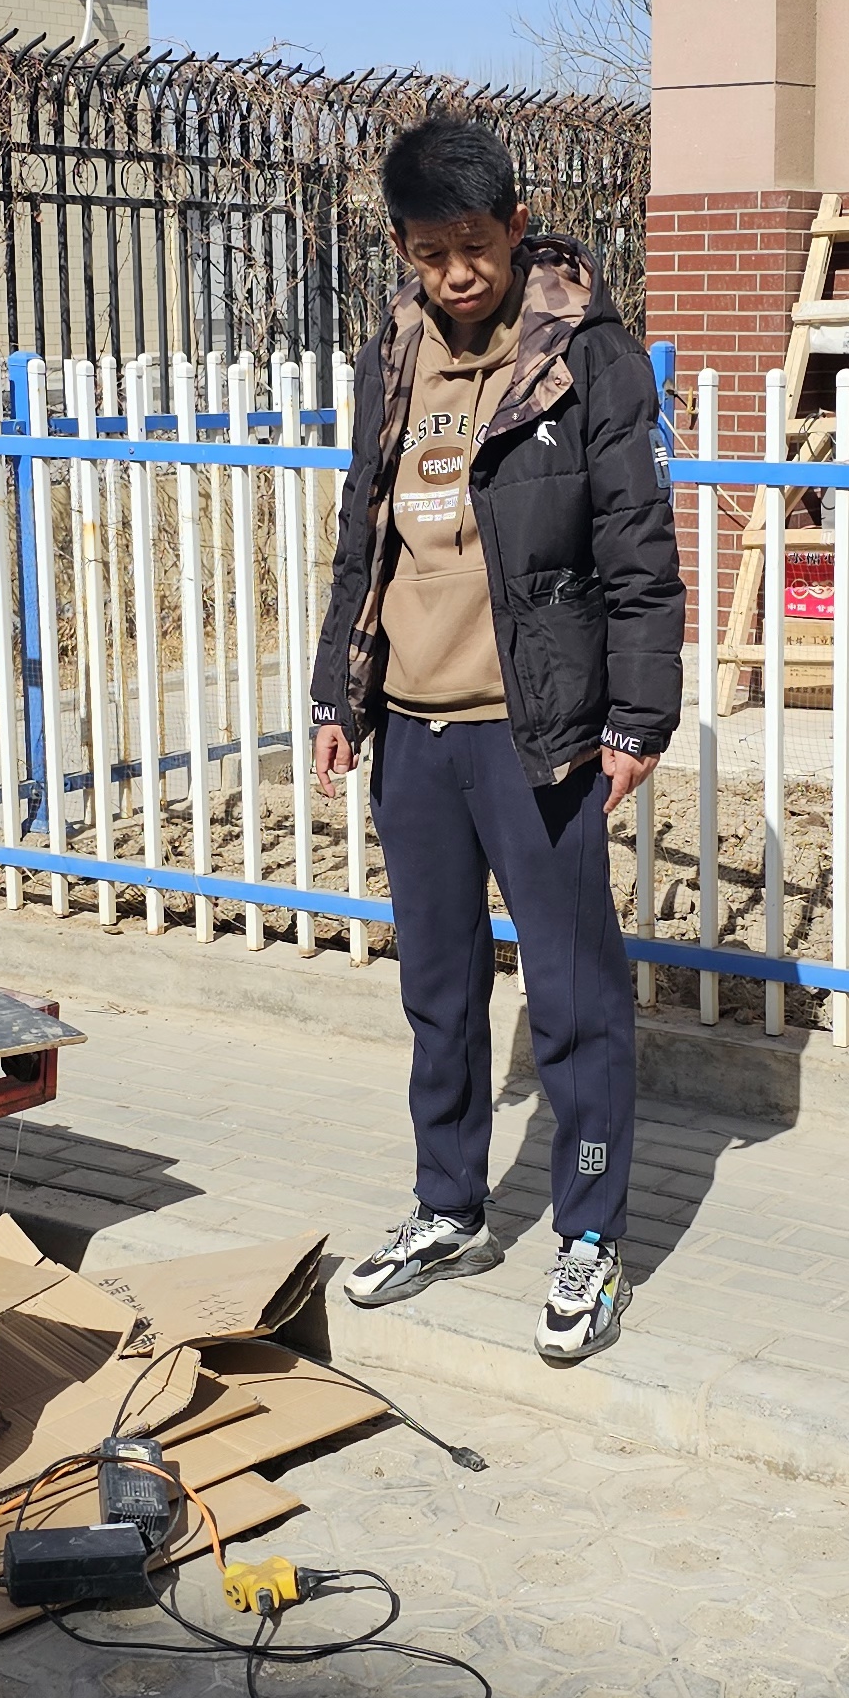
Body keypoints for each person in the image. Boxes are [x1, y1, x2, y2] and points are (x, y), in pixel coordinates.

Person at [307, 115, 678, 1364]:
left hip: (540, 734)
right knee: (437, 987)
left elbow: (638, 546)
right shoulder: (392, 351)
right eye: (430, 253)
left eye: (475, 245)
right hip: (414, 731)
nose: (457, 274)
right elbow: (363, 533)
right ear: (401, 248)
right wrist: (336, 694)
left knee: (573, 1000)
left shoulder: (586, 356)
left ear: (517, 226)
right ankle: (448, 1207)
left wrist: (638, 714)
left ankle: (590, 1235)